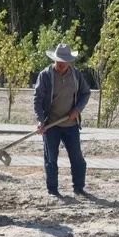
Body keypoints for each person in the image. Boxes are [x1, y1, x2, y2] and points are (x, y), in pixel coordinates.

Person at [33, 43, 90, 196]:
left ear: (70, 61)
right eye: (59, 61)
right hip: (51, 125)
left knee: (77, 157)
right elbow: (38, 99)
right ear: (55, 60)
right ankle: (53, 190)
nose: (62, 64)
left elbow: (86, 93)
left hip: (71, 124)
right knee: (51, 158)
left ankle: (79, 187)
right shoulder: (45, 75)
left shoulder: (76, 75)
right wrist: (40, 120)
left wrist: (77, 110)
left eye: (65, 61)